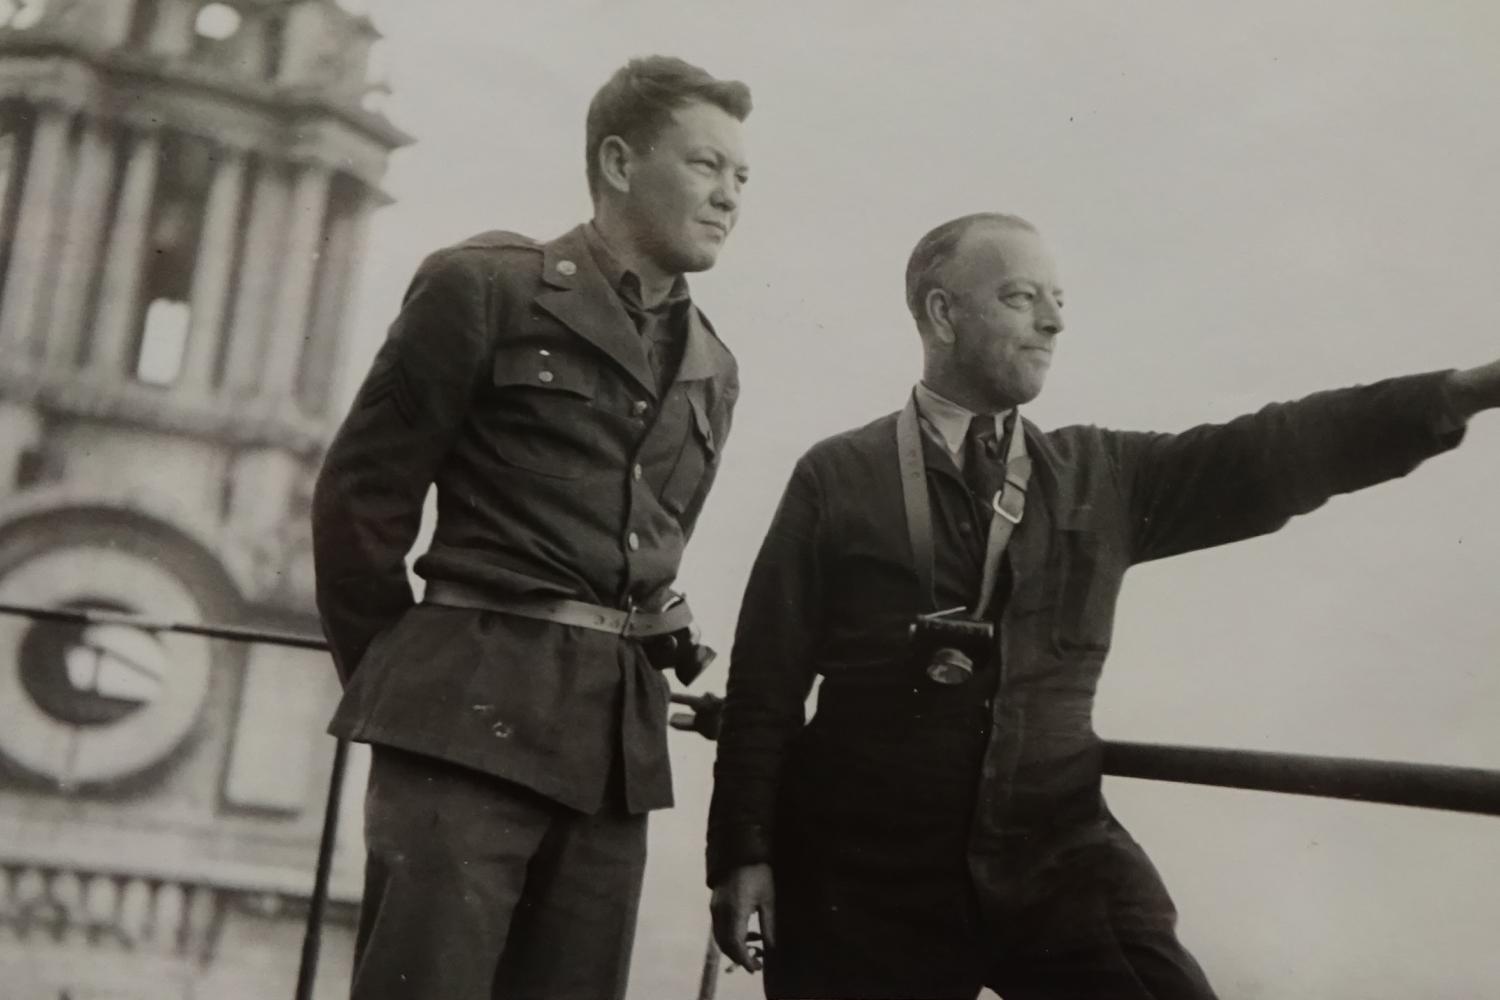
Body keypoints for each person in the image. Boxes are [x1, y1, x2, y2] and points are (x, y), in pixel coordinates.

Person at [706, 211, 1499, 1000]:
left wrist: (1457, 395)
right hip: (864, 873)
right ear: (943, 313)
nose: (1054, 321)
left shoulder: (1100, 474)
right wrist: (742, 851)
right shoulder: (837, 475)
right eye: (1022, 297)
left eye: (1058, 299)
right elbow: (767, 682)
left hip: (1054, 863)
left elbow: (1268, 449)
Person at [312, 55, 751, 1000]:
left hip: (610, 761)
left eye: (742, 178)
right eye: (708, 165)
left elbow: (643, 549)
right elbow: (360, 505)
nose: (729, 197)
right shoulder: (486, 287)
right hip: (462, 724)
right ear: (621, 162)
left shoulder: (713, 366)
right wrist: (413, 686)